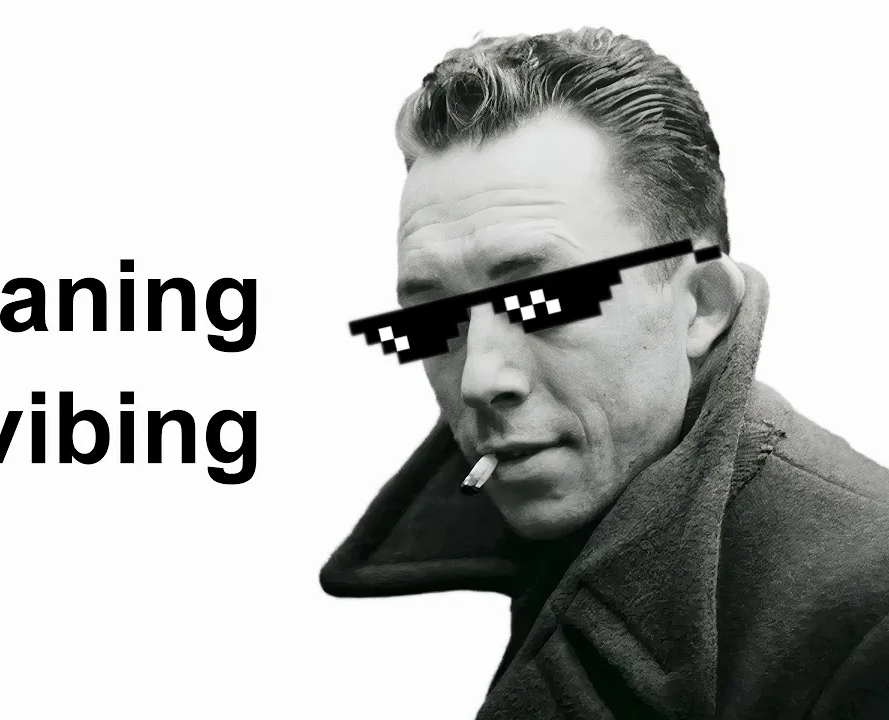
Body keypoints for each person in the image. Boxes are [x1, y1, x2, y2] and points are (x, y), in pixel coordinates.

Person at [320, 27, 889, 719]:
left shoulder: (869, 609)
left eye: (544, 300)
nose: (478, 380)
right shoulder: (577, 518)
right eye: (434, 319)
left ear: (701, 305)